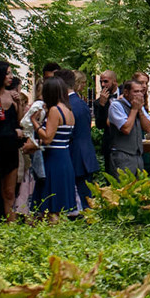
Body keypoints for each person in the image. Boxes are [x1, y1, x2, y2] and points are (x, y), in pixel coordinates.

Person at [33, 77, 79, 215]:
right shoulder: (69, 110)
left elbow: (47, 138)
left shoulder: (55, 110)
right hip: (65, 158)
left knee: (52, 207)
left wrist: (34, 122)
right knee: (59, 206)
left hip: (53, 159)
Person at [0, 62, 21, 220]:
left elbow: (20, 122)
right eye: (7, 73)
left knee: (9, 192)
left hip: (11, 148)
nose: (10, 76)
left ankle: (11, 227)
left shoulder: (13, 95)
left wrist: (19, 104)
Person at [62, 70, 97, 206]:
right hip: (84, 153)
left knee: (82, 196)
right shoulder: (80, 103)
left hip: (76, 154)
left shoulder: (72, 104)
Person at [107, 77, 147, 173]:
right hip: (122, 156)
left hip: (137, 156)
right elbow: (126, 129)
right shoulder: (116, 106)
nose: (140, 95)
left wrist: (140, 110)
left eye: (141, 91)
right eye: (136, 91)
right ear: (126, 92)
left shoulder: (138, 106)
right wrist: (134, 110)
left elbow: (147, 128)